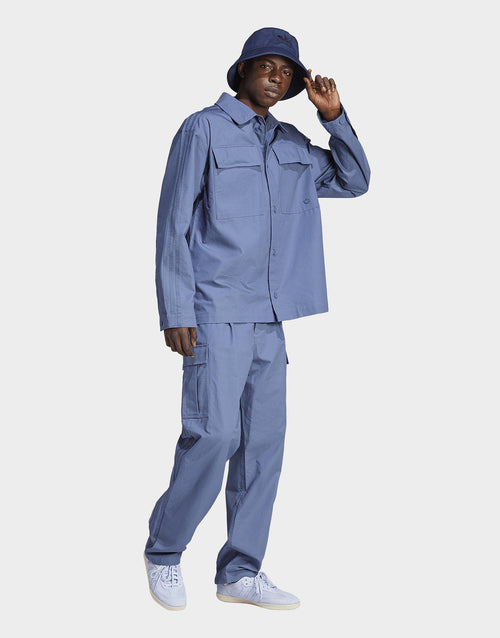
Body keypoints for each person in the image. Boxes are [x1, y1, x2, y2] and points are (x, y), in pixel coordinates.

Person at [143, 26, 370, 611]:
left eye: (287, 71)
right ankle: (164, 550)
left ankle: (240, 571)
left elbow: (354, 182)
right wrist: (175, 307)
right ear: (242, 69)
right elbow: (173, 221)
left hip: (272, 316)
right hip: (215, 309)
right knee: (214, 434)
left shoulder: (292, 143)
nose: (277, 76)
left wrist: (333, 117)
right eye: (266, 65)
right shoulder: (203, 129)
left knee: (263, 446)